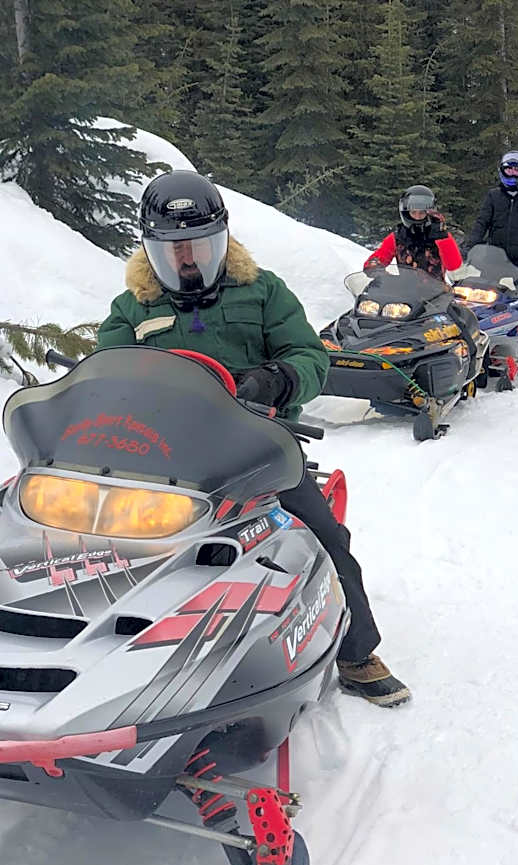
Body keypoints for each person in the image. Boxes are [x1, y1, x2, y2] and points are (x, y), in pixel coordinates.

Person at [96, 170, 410, 708]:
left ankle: (357, 654)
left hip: (259, 445)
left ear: (223, 241)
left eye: (199, 246)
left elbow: (309, 355)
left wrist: (279, 378)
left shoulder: (263, 292)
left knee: (324, 538)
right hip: (162, 455)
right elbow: (108, 372)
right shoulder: (132, 308)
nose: (187, 260)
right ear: (151, 250)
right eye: (174, 250)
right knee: (104, 543)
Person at [461, 151, 518, 316]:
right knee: (483, 294)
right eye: (509, 169)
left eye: (517, 170)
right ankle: (481, 324)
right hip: (495, 256)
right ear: (502, 170)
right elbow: (482, 223)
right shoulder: (494, 195)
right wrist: (470, 246)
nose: (513, 173)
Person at [364, 185, 463, 280]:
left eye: (422, 213)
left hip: (436, 289)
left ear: (429, 213)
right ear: (406, 213)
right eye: (413, 212)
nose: (417, 216)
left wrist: (442, 238)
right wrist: (375, 267)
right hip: (405, 289)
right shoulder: (398, 237)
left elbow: (453, 265)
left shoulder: (440, 235)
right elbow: (379, 257)